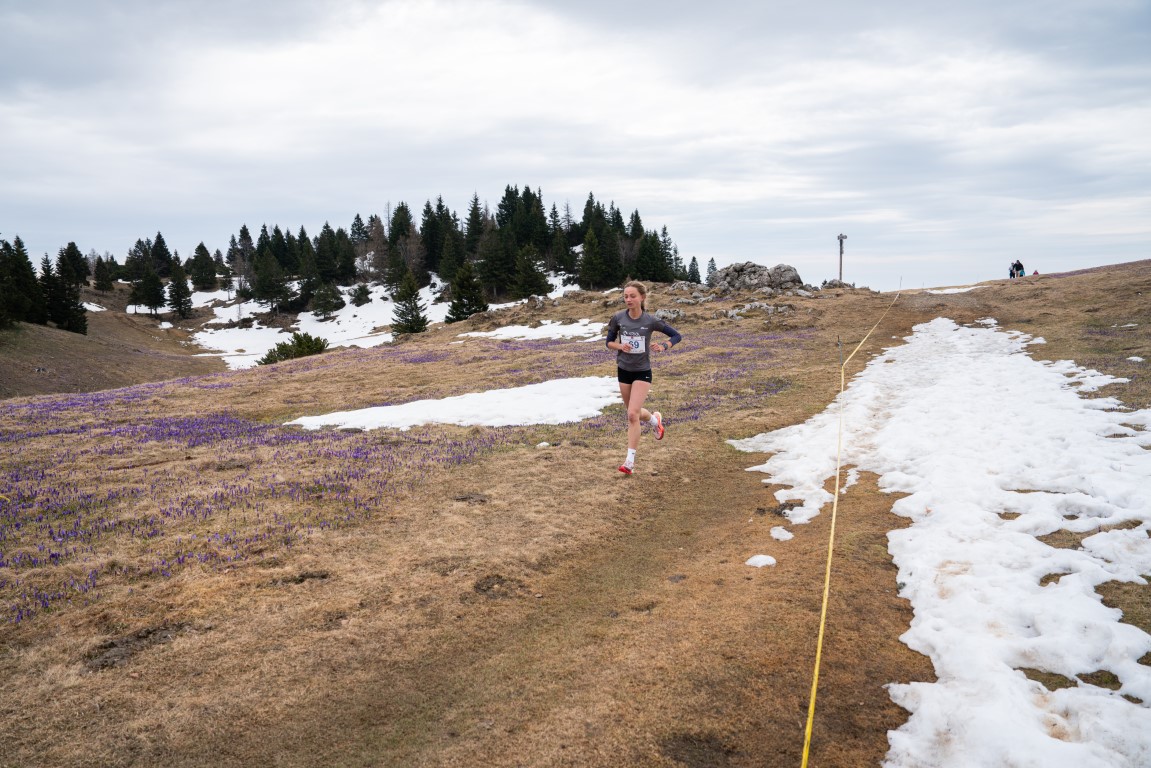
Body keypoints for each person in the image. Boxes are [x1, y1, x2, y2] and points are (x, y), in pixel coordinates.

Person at [604, 281, 683, 475]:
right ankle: (655, 421)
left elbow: (676, 336)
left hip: (642, 371)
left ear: (642, 297)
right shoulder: (618, 318)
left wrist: (664, 346)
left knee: (632, 415)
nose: (628, 299)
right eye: (626, 296)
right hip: (624, 370)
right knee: (635, 413)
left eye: (632, 296)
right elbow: (608, 342)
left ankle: (629, 462)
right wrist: (620, 346)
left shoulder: (650, 321)